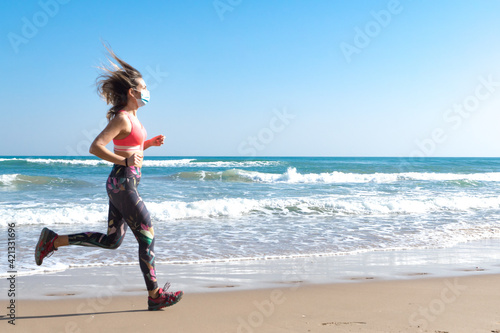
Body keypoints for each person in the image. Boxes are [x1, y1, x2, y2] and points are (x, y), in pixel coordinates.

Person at [34, 46, 183, 311]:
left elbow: (130, 149)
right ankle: (155, 295)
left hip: (124, 184)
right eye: (144, 87)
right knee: (147, 236)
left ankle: (53, 240)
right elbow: (96, 146)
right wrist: (125, 161)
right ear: (132, 92)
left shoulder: (135, 117)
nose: (148, 91)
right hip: (122, 184)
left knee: (113, 241)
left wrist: (147, 144)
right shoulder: (123, 118)